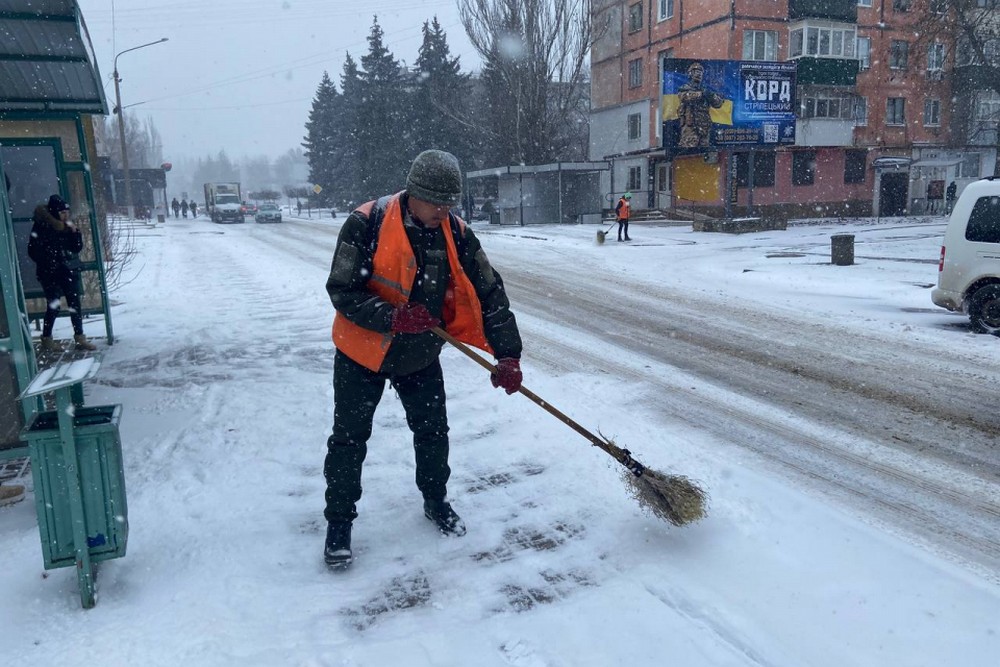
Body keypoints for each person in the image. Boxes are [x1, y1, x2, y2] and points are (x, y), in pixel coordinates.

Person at [322, 149, 523, 569]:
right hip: (362, 352)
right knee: (349, 439)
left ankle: (436, 500)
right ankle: (339, 522)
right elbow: (342, 290)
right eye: (437, 203)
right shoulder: (366, 222)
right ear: (413, 193)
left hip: (420, 354)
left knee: (433, 432)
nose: (444, 213)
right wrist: (391, 316)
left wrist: (508, 355)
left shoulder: (458, 233)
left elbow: (490, 293)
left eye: (450, 204)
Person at [27, 195, 96, 351]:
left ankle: (80, 338)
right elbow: (33, 251)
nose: (66, 215)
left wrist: (75, 232)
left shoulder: (66, 227)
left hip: (66, 270)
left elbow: (76, 248)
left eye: (67, 212)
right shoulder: (42, 226)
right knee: (54, 305)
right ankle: (47, 339)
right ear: (54, 212)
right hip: (49, 273)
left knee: (74, 303)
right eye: (62, 212)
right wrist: (50, 261)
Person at [677, 61, 725, 149]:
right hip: (691, 125)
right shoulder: (685, 88)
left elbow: (718, 104)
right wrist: (700, 94)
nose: (699, 74)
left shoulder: (705, 89)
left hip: (704, 126)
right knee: (688, 150)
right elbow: (684, 97)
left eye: (700, 72)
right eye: (696, 72)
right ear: (690, 74)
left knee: (704, 150)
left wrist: (711, 96)